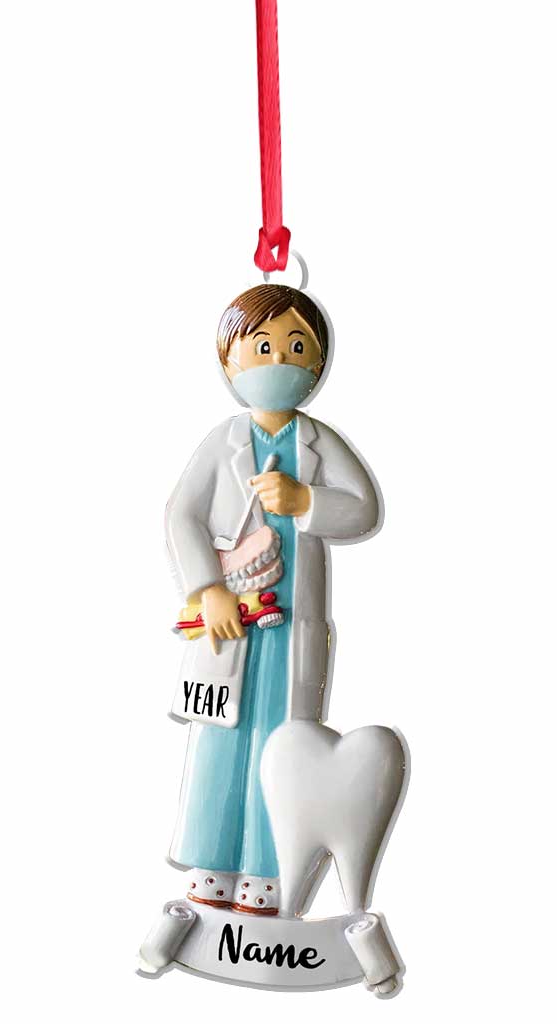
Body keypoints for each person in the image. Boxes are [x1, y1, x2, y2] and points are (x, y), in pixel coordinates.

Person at [164, 284, 380, 916]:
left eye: (296, 346)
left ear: (319, 361)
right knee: (219, 738)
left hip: (291, 630)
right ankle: (209, 861)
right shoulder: (223, 440)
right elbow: (181, 515)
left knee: (282, 745)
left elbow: (363, 507)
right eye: (261, 347)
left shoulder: (318, 440)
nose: (279, 359)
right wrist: (207, 590)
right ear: (228, 359)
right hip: (232, 625)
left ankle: (265, 870)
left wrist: (306, 500)